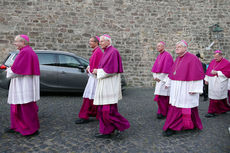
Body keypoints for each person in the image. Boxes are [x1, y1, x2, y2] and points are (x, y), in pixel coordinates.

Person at [163, 40, 204, 136]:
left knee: (184, 107)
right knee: (178, 106)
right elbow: (173, 73)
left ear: (185, 48)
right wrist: (168, 83)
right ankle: (191, 124)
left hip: (186, 89)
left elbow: (197, 74)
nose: (177, 48)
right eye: (176, 46)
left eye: (179, 46)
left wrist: (195, 89)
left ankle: (172, 127)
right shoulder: (178, 59)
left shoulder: (193, 58)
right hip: (176, 88)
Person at [92, 34, 130, 138]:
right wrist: (95, 71)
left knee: (107, 111)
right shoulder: (106, 52)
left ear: (109, 41)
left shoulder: (113, 52)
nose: (100, 43)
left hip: (110, 85)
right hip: (104, 85)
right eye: (100, 41)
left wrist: (97, 71)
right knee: (101, 111)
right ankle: (106, 131)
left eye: (102, 41)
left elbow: (111, 71)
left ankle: (121, 125)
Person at [5, 35, 40, 136]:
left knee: (25, 106)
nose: (14, 43)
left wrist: (8, 70)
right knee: (20, 106)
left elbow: (15, 71)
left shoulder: (25, 52)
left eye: (16, 42)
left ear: (23, 42)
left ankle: (30, 130)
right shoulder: (27, 51)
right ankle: (17, 126)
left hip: (24, 83)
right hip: (23, 82)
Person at [75, 36, 103, 124]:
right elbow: (93, 64)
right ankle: (93, 114)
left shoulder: (97, 52)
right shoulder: (96, 51)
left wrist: (89, 70)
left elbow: (97, 67)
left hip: (94, 79)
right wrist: (89, 67)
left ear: (96, 42)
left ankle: (85, 116)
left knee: (90, 98)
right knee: (92, 97)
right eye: (89, 41)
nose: (89, 43)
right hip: (93, 78)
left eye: (91, 41)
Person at [204, 50, 230, 117]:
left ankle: (211, 111)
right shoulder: (213, 61)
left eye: (217, 57)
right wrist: (206, 79)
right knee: (216, 97)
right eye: (214, 57)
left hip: (220, 82)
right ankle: (224, 109)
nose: (215, 58)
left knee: (216, 97)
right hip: (212, 82)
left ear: (221, 56)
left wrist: (217, 72)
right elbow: (208, 71)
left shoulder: (226, 63)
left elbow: (228, 73)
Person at [151, 41, 173, 119]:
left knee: (163, 98)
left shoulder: (168, 56)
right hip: (158, 80)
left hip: (164, 81)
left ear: (163, 47)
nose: (158, 47)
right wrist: (155, 76)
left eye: (159, 46)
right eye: (157, 46)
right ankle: (161, 111)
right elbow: (155, 69)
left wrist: (160, 78)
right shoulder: (159, 56)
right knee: (159, 98)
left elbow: (169, 70)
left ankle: (164, 112)